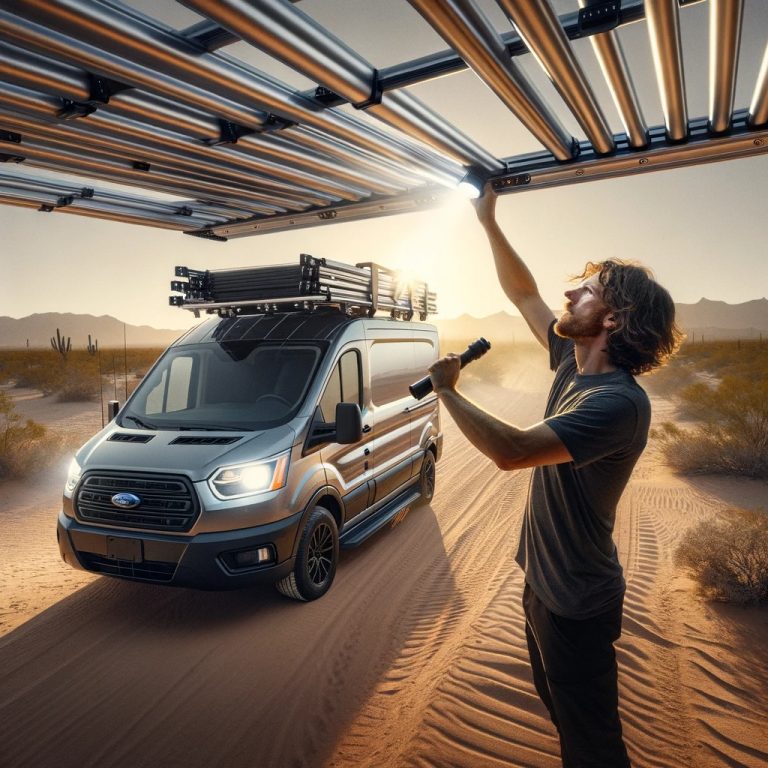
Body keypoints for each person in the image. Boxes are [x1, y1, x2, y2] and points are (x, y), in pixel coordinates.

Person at [428, 189, 682, 768]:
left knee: (593, 744)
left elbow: (513, 451)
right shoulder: (571, 361)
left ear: (612, 319)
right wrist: (486, 219)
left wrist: (447, 390)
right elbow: (523, 292)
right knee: (563, 718)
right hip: (542, 586)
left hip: (577, 604)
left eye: (587, 290)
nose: (570, 292)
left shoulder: (618, 405)